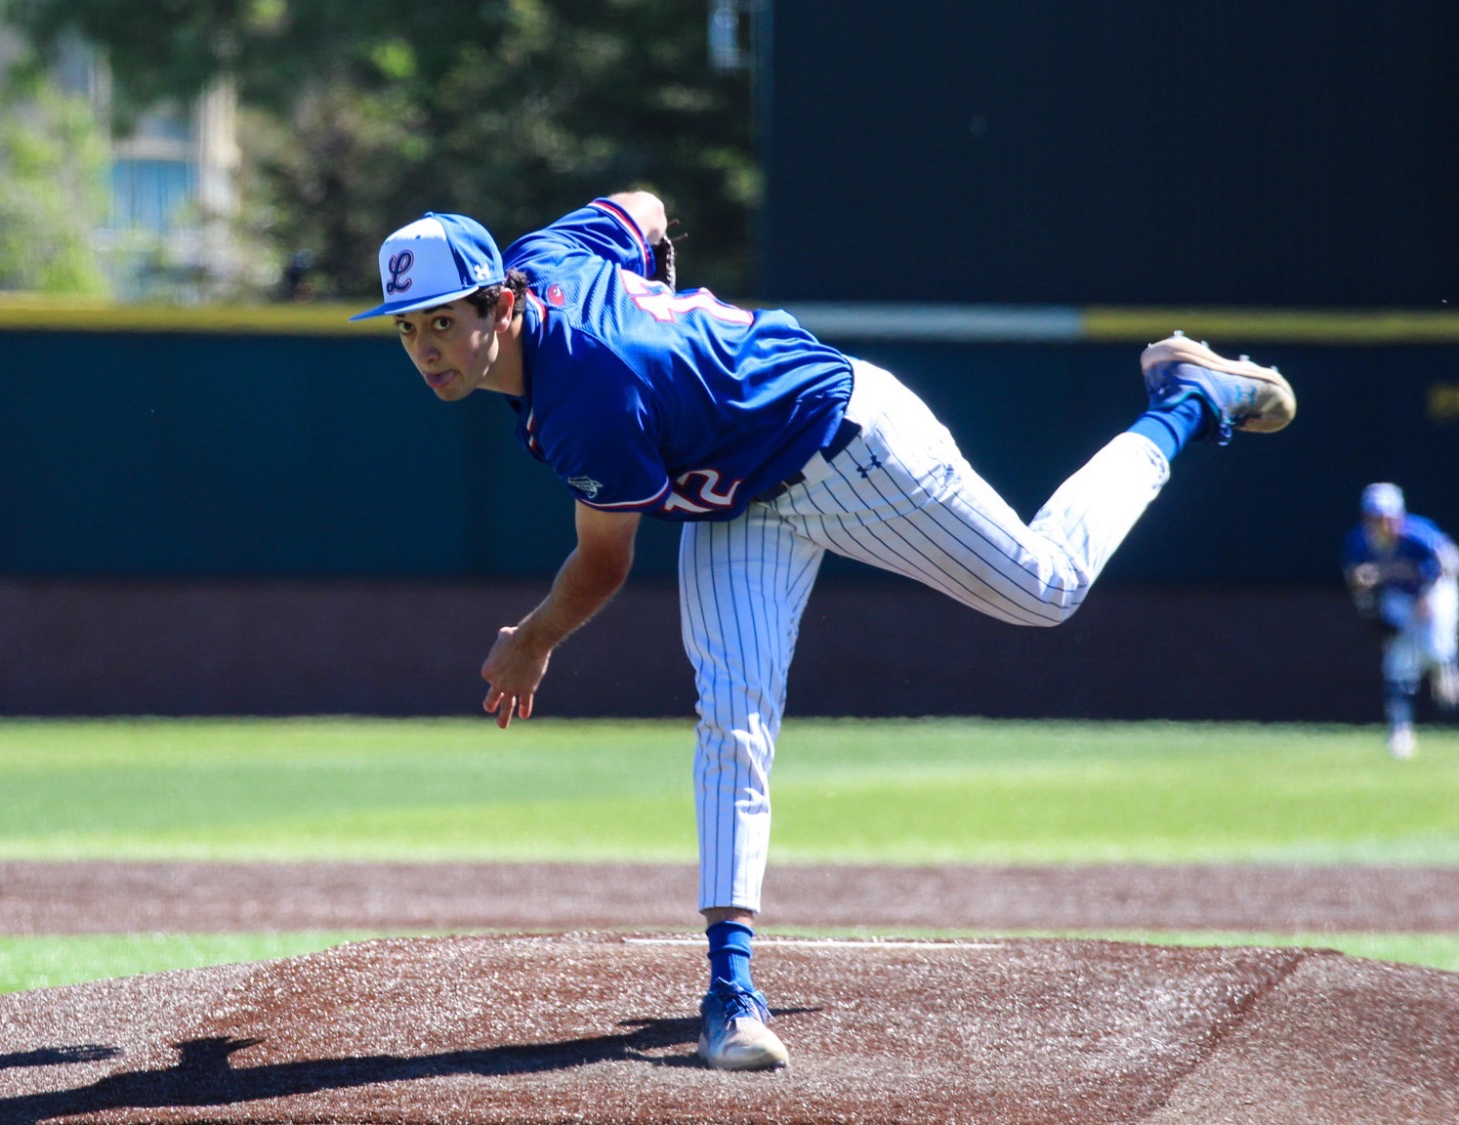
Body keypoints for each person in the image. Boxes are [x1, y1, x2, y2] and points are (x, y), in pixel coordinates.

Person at [350, 194, 1296, 1071]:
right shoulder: (550, 254)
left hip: (848, 443)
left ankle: (1185, 398)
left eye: (447, 318)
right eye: (410, 326)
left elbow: (601, 565)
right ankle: (731, 991)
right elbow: (641, 207)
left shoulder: (584, 400)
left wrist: (535, 637)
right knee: (732, 716)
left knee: (1046, 589)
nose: (428, 344)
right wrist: (670, 305)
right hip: (735, 496)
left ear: (502, 301)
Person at [1342, 482, 1459, 759]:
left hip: (1436, 592)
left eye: (1387, 516)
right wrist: (1367, 599)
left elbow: (1451, 563)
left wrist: (1427, 596)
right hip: (1398, 597)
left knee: (1433, 647)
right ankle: (1400, 732)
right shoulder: (1359, 541)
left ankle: (1446, 664)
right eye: (1375, 516)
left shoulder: (1418, 534)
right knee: (1397, 663)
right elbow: (1355, 579)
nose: (1382, 523)